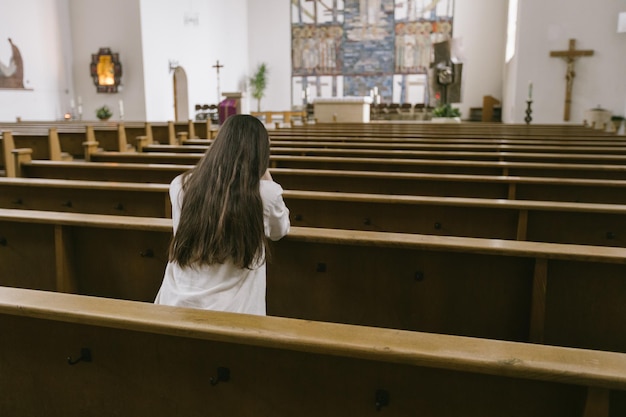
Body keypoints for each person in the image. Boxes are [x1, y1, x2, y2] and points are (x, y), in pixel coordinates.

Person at [155, 114, 290, 315]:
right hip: (233, 310)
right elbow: (280, 231)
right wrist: (264, 173)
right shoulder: (266, 193)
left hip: (175, 303)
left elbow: (180, 232)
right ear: (260, 153)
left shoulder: (181, 184)